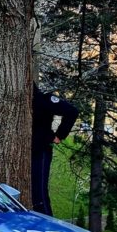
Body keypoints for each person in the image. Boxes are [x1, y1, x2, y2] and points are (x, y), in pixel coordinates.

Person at [31, 85, 79, 215]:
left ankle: (47, 223)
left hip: (40, 151)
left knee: (39, 194)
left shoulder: (44, 99)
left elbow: (72, 111)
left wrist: (59, 135)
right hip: (26, 152)